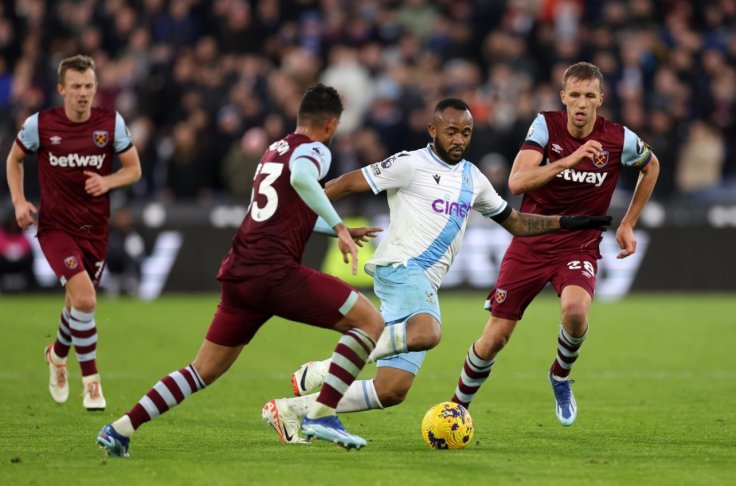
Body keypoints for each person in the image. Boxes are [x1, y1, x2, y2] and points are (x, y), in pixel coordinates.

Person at [262, 98, 611, 444]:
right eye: (451, 132)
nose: (459, 139)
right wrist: (296, 215)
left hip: (423, 280)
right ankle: (323, 370)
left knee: (392, 390)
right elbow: (342, 184)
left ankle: (292, 410)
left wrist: (567, 222)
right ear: (433, 130)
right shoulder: (410, 164)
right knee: (428, 330)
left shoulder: (473, 178)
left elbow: (516, 222)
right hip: (402, 268)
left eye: (466, 133)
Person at [96, 84, 385, 457]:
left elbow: (283, 214)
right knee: (369, 323)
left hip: (240, 273)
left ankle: (122, 427)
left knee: (202, 370)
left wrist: (336, 228)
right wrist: (342, 226)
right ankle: (322, 413)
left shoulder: (272, 151)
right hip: (274, 272)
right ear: (331, 125)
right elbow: (301, 179)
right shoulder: (315, 150)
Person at [449, 61, 660, 426]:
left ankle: (560, 375)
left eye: (589, 96)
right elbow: (516, 182)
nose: (581, 103)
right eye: (574, 95)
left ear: (600, 99)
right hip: (531, 239)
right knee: (495, 338)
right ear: (563, 97)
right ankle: (456, 408)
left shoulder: (618, 138)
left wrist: (628, 223)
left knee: (576, 312)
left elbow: (651, 165)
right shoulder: (546, 126)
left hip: (579, 244)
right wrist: (570, 159)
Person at [5, 54, 142, 410]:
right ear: (62, 89)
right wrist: (20, 201)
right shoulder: (40, 124)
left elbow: (133, 169)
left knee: (75, 305)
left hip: (95, 229)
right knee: (85, 300)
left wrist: (107, 180)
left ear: (96, 88)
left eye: (89, 86)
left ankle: (56, 355)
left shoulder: (111, 124)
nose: (83, 93)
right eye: (77, 87)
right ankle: (92, 383)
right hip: (55, 228)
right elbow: (13, 160)